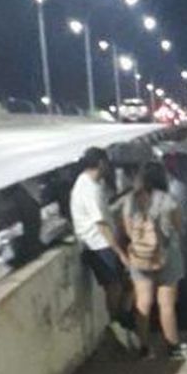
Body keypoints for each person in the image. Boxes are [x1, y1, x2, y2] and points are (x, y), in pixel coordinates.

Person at [70, 147, 137, 351]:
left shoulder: (87, 183)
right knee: (115, 285)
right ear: (101, 164)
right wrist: (119, 252)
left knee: (121, 284)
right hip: (99, 244)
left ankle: (121, 321)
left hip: (99, 243)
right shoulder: (89, 188)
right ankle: (116, 321)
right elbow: (101, 224)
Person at [121, 160, 187, 359]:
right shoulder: (168, 201)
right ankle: (172, 346)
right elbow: (178, 227)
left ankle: (144, 348)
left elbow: (127, 230)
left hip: (139, 256)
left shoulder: (130, 201)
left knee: (143, 302)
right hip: (167, 256)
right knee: (166, 303)